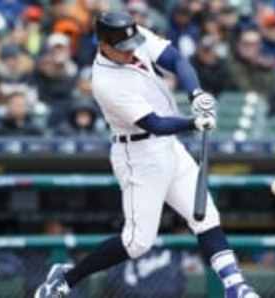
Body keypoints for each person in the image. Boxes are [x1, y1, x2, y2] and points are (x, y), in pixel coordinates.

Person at [35, 11, 259, 298]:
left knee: (206, 218)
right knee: (137, 242)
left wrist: (196, 95)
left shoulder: (128, 35)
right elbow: (154, 123)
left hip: (169, 147)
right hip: (138, 155)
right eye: (123, 50)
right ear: (104, 46)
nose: (131, 52)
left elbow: (176, 60)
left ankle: (234, 286)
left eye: (132, 45)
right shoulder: (105, 82)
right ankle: (66, 278)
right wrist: (193, 123)